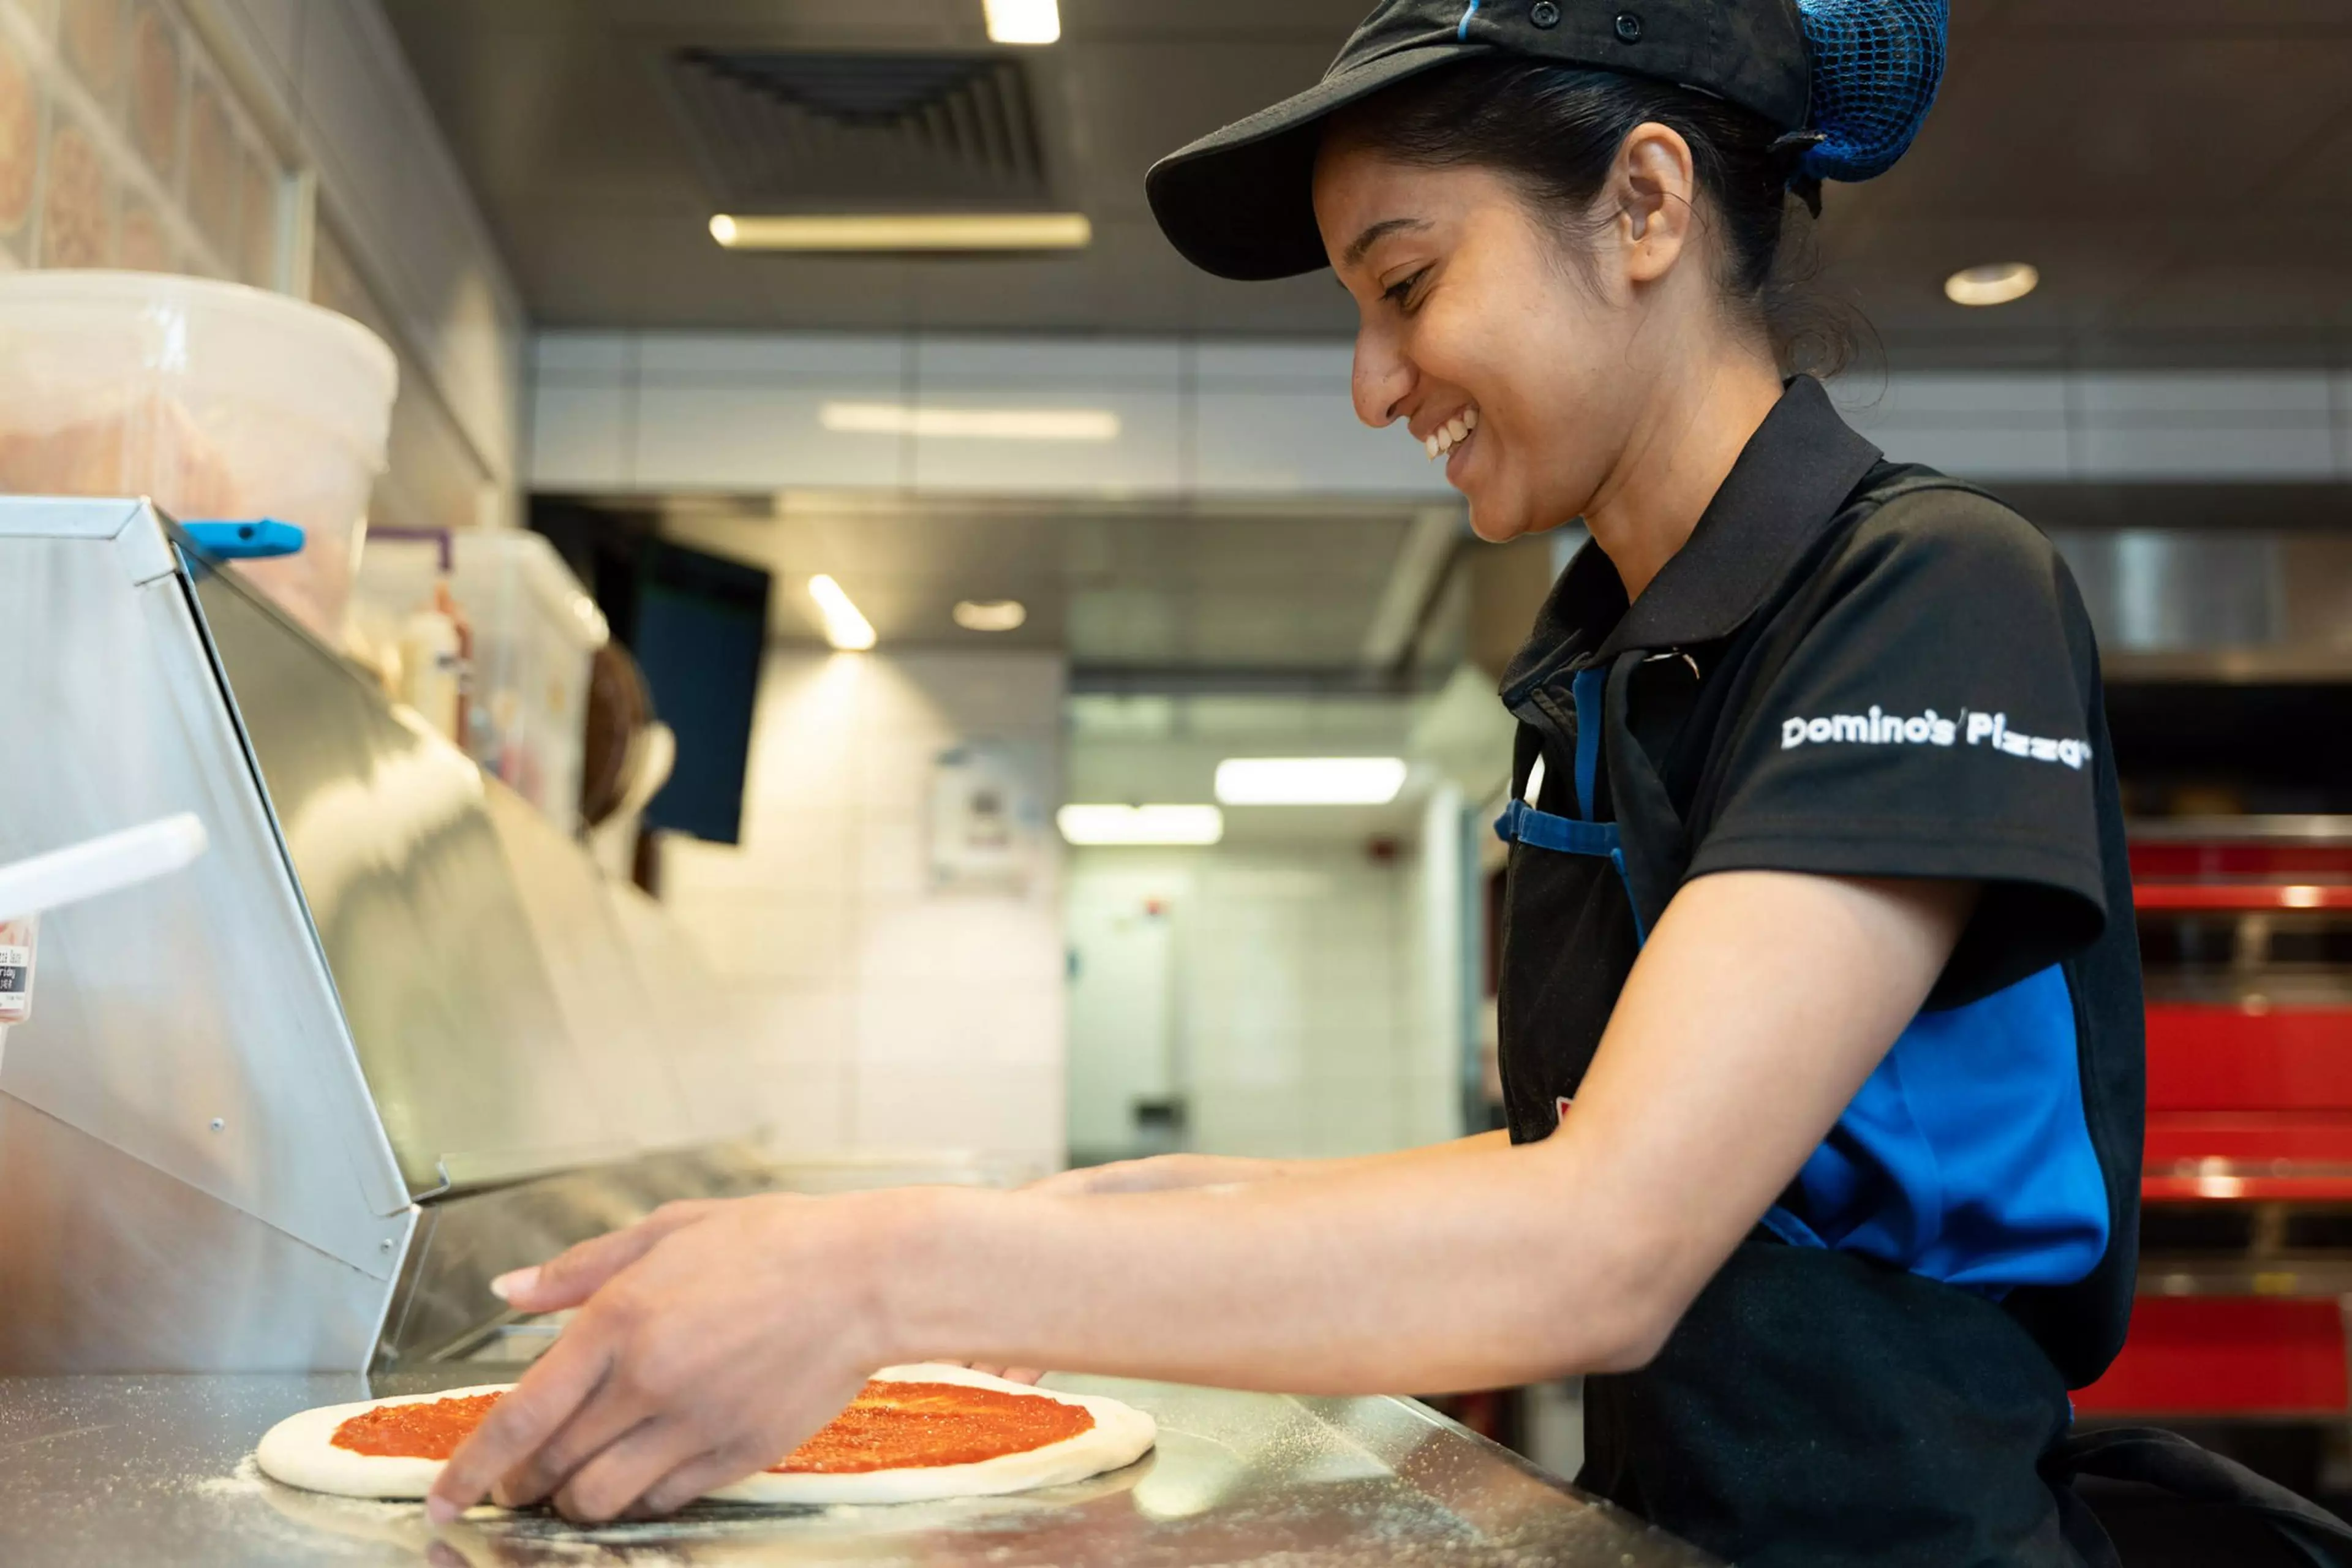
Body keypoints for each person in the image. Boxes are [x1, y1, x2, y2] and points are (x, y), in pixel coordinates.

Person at [429, 3, 2352, 1561]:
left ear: (1648, 207)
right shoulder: (1609, 653)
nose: (1371, 379)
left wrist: (871, 1274)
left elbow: (1605, 1242)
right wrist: (1104, 1216)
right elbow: (1597, 1167)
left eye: (1407, 283)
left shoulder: (1927, 591)